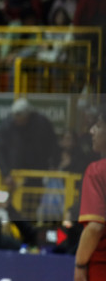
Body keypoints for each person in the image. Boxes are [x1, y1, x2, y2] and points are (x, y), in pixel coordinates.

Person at [0, 98, 60, 191]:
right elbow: (0, 151)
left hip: (38, 173)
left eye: (21, 118)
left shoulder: (41, 124)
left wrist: (54, 165)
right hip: (14, 175)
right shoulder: (7, 126)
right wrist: (6, 174)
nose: (18, 120)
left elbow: (53, 145)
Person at [76, 106, 106, 281]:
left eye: (99, 125)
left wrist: (80, 264)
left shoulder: (97, 171)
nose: (91, 130)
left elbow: (95, 227)